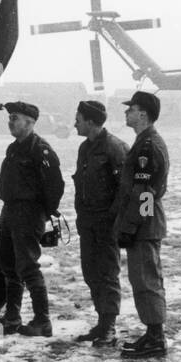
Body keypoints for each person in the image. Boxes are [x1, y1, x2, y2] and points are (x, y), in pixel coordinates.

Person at [0, 101, 64, 337]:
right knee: (8, 264)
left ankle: (42, 320)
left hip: (28, 212)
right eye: (10, 118)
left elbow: (55, 185)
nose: (10, 122)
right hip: (10, 209)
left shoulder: (40, 150)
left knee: (27, 265)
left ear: (30, 122)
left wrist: (43, 213)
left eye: (15, 118)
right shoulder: (14, 148)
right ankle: (12, 317)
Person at [115, 91, 170, 359]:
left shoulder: (148, 146)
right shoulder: (143, 142)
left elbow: (145, 192)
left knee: (147, 280)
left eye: (131, 109)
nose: (127, 113)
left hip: (143, 226)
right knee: (144, 279)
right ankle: (152, 334)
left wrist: (132, 226)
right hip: (143, 224)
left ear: (144, 114)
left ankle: (156, 338)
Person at [72, 99, 128, 347]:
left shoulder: (115, 148)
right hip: (88, 223)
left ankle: (109, 327)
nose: (75, 123)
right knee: (91, 273)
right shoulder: (85, 148)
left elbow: (125, 190)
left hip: (107, 224)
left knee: (107, 274)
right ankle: (101, 322)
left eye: (78, 119)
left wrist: (112, 219)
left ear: (91, 122)